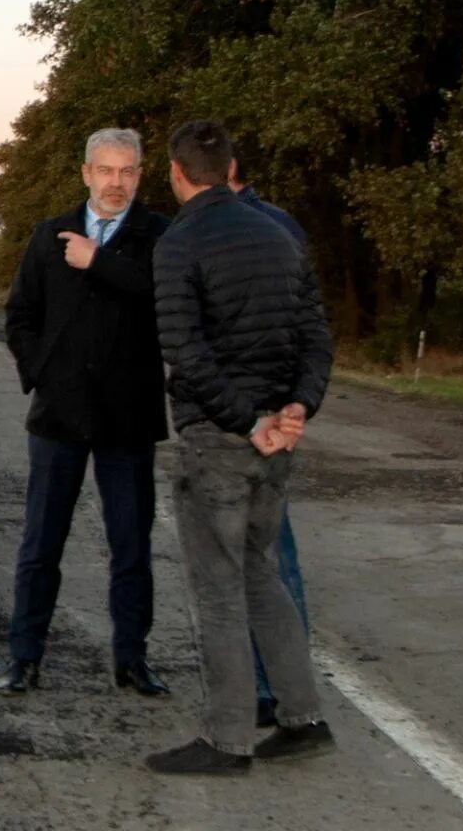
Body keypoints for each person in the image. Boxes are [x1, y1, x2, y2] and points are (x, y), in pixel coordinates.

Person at [147, 120, 335, 775]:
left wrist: (243, 421)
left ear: (176, 173)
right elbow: (317, 336)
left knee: (220, 587)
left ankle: (228, 740)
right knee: (261, 571)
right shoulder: (280, 232)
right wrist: (297, 407)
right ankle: (302, 716)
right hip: (276, 440)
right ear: (230, 169)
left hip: (221, 439)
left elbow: (185, 352)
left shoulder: (179, 243)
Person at [0, 128, 172, 697]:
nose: (116, 183)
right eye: (106, 171)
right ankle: (24, 657)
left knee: (131, 547)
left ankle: (132, 660)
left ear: (140, 175)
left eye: (127, 172)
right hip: (59, 419)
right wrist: (41, 374)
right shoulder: (49, 237)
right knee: (41, 544)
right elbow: (20, 315)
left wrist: (98, 260)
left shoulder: (159, 236)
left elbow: (163, 298)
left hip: (128, 418)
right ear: (86, 173)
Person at [229, 157, 311, 730]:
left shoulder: (245, 228)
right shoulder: (282, 224)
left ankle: (275, 691)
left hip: (251, 415)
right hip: (271, 409)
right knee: (268, 553)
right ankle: (280, 688)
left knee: (260, 554)